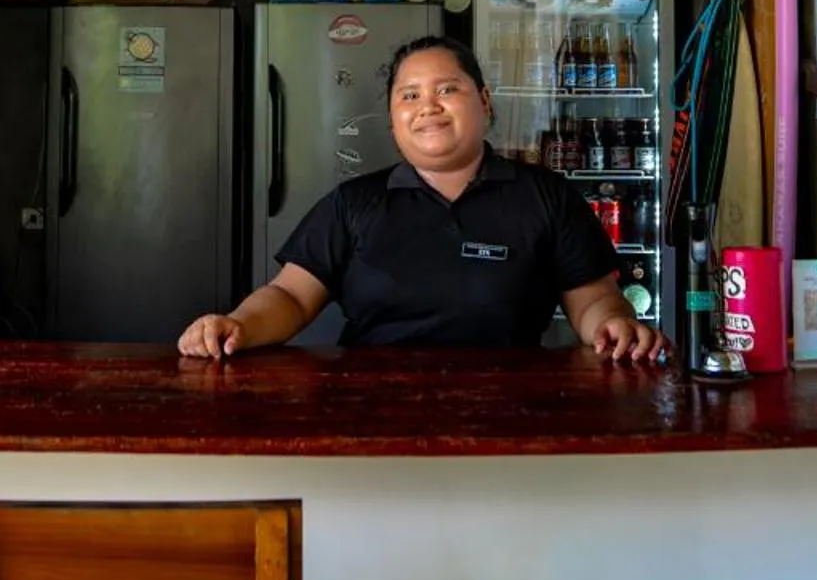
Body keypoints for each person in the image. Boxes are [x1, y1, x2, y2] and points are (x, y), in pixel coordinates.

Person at [178, 35, 667, 362]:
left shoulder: (545, 196)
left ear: (484, 100)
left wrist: (616, 326)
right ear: (393, 121)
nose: (427, 106)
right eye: (408, 95)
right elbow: (289, 296)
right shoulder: (355, 203)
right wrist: (236, 323)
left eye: (447, 89)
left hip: (512, 414)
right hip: (372, 415)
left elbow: (594, 300)